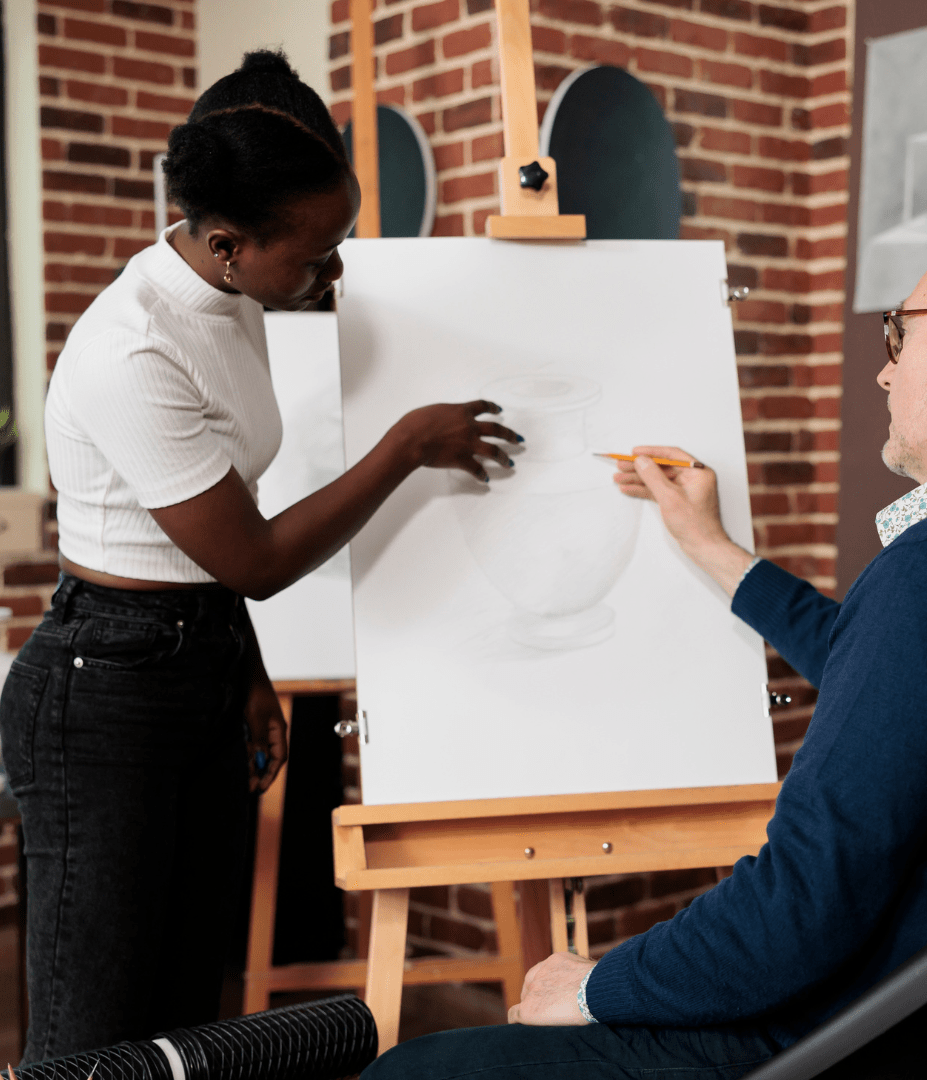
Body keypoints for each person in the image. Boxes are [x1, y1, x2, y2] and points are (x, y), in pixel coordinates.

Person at [362, 229, 927, 1078]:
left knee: (406, 1072)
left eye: (902, 331)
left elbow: (801, 911)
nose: (885, 369)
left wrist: (596, 986)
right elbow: (891, 676)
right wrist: (712, 547)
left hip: (835, 1035)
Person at [0, 50, 520, 1063]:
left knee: (191, 1017)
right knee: (92, 1033)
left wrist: (241, 668)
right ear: (230, 242)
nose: (333, 272)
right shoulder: (133, 348)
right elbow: (253, 555)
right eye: (319, 251)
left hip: (191, 654)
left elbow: (217, 533)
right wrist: (407, 445)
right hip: (100, 689)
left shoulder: (235, 299)